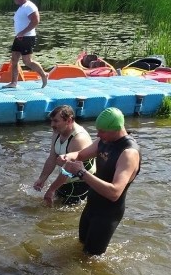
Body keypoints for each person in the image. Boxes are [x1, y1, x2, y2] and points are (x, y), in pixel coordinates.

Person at [60, 107, 141, 256]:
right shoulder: (105, 140)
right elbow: (81, 154)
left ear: (115, 129)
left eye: (102, 131)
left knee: (90, 260)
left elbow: (114, 192)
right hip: (91, 207)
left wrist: (81, 173)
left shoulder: (128, 153)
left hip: (107, 213)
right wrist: (68, 156)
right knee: (81, 248)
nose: (97, 134)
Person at [33, 105, 95, 205]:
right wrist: (42, 179)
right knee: (47, 205)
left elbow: (68, 169)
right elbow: (52, 158)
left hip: (81, 183)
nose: (52, 124)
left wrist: (51, 189)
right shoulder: (58, 131)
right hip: (66, 179)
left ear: (69, 120)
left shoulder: (79, 139)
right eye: (52, 121)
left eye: (56, 121)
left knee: (59, 214)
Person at [5, 0, 48, 89]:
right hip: (19, 37)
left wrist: (23, 32)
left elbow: (36, 21)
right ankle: (13, 83)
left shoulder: (29, 6)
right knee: (14, 59)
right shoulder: (22, 7)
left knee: (27, 61)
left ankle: (43, 74)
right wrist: (20, 34)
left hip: (27, 37)